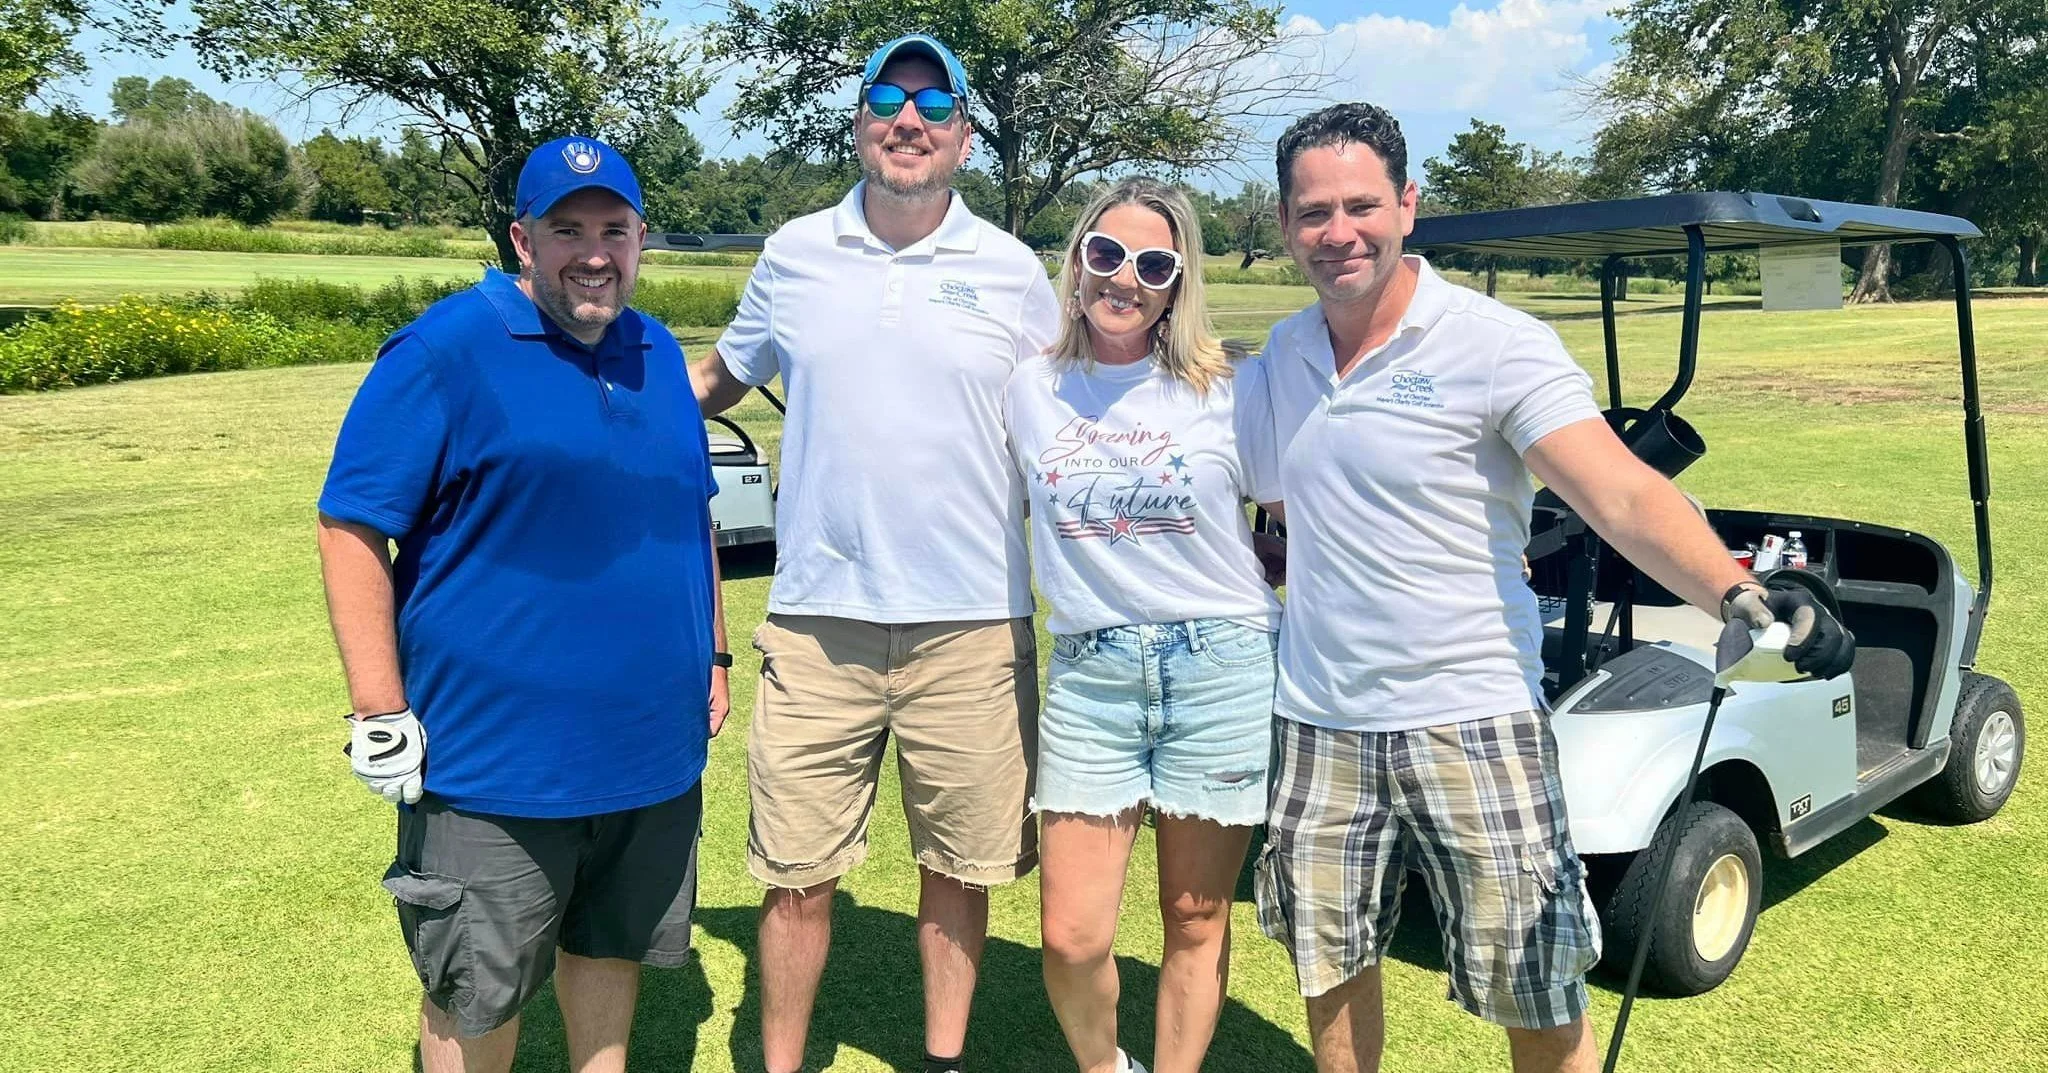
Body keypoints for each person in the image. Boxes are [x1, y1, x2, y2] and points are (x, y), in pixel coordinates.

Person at [1248, 103, 1856, 1073]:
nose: (1337, 232)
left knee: (1531, 980)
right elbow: (1273, 513)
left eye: (1359, 204)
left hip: (1472, 717)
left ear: (1407, 203)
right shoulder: (1279, 357)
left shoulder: (1493, 342)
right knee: (1329, 959)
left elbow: (1614, 491)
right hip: (1319, 721)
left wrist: (1737, 590)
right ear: (1284, 225)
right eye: (1312, 212)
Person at [317, 135, 729, 1073]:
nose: (594, 251)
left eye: (613, 230)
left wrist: (712, 651)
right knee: (476, 991)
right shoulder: (444, 350)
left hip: (647, 753)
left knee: (609, 949)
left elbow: (690, 514)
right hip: (494, 763)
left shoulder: (658, 349)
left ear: (640, 239)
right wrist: (379, 708)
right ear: (521, 239)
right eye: (566, 228)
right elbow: (349, 526)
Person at [689, 34, 1060, 1073]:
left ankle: (940, 1058)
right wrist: (595, 422)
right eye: (886, 99)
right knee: (796, 873)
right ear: (857, 121)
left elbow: (1077, 405)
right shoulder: (796, 249)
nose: (909, 119)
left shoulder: (1011, 271)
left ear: (964, 137)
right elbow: (719, 375)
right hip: (817, 622)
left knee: (959, 868)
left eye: (934, 102)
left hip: (973, 625)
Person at [1002, 178, 1284, 1073]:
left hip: (1222, 661)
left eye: (1153, 263)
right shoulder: (1029, 388)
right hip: (1092, 670)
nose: (1125, 277)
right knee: (1073, 935)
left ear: (1176, 282)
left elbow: (1303, 516)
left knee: (1195, 918)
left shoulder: (1228, 390)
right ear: (1078, 256)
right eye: (1107, 254)